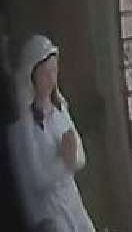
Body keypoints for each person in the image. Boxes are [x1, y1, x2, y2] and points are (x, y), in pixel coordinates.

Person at [8, 34, 95, 232]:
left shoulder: (60, 110)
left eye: (54, 71)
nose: (50, 79)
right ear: (32, 75)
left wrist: (71, 157)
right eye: (44, 73)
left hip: (71, 200)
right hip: (49, 211)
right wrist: (65, 162)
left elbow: (80, 157)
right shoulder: (25, 124)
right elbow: (37, 179)